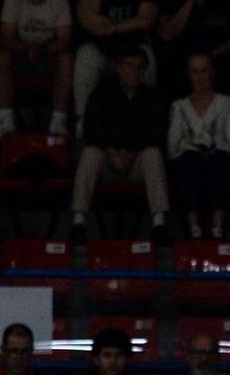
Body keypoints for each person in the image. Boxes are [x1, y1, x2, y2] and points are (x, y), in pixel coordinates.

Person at [71, 46, 169, 238]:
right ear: (118, 67)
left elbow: (156, 133)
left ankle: (159, 223)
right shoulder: (100, 94)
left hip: (137, 163)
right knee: (90, 153)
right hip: (108, 161)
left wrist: (131, 154)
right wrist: (111, 153)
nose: (135, 71)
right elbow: (92, 130)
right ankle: (78, 221)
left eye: (140, 67)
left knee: (153, 155)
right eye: (129, 65)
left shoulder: (153, 98)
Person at [72, 0, 159, 128]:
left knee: (148, 59)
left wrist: (113, 28)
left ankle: (148, 120)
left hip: (134, 49)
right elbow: (88, 20)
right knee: (86, 56)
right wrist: (129, 24)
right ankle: (82, 121)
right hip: (102, 50)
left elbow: (147, 20)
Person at [166, 49, 230, 240]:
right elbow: (173, 146)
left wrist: (218, 149)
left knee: (220, 162)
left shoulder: (225, 103)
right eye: (194, 71)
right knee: (188, 162)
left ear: (212, 72)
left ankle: (218, 221)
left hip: (220, 155)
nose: (199, 77)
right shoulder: (180, 106)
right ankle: (193, 224)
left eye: (204, 71)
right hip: (190, 156)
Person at [0, 0, 73, 138]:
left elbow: (65, 40)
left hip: (47, 54)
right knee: (2, 58)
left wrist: (43, 48)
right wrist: (25, 47)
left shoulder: (59, 1)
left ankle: (58, 120)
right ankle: (5, 120)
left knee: (67, 60)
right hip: (20, 53)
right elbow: (6, 37)